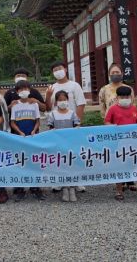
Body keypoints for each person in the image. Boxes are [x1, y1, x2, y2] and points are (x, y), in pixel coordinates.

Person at [45, 61, 87, 192]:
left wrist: (77, 123)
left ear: (65, 69)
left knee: (74, 154)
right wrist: (48, 96)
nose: (58, 71)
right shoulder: (51, 88)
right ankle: (59, 180)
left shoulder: (74, 85)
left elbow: (80, 104)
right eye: (54, 70)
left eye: (59, 68)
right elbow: (48, 108)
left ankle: (77, 180)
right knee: (58, 154)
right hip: (57, 127)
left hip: (72, 126)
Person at [104, 86, 137, 201]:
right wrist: (114, 127)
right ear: (117, 98)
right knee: (120, 166)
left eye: (127, 96)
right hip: (120, 143)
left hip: (135, 142)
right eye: (122, 97)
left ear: (130, 97)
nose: (124, 99)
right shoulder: (113, 109)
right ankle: (119, 191)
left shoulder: (134, 109)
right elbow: (106, 122)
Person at [98, 63, 137, 192]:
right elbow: (102, 106)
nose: (115, 75)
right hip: (112, 126)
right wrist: (106, 122)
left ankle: (130, 180)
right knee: (117, 154)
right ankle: (119, 181)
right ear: (109, 74)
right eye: (113, 73)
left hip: (128, 126)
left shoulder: (128, 88)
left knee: (130, 153)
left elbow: (133, 105)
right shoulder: (104, 90)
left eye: (117, 72)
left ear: (122, 73)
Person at [10, 80, 44, 201]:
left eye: (26, 89)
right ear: (17, 91)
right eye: (21, 89)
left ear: (30, 90)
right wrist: (19, 132)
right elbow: (12, 122)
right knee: (20, 161)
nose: (23, 91)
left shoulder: (34, 104)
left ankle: (35, 187)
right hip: (19, 138)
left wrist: (34, 131)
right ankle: (20, 189)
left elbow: (38, 121)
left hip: (33, 137)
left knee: (34, 160)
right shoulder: (15, 105)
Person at [46, 90, 81, 202]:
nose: (62, 102)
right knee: (61, 165)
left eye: (64, 99)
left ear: (68, 100)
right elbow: (50, 128)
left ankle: (72, 188)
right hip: (58, 145)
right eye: (60, 100)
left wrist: (77, 128)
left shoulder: (72, 113)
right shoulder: (53, 114)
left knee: (72, 165)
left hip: (71, 145)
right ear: (56, 102)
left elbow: (77, 125)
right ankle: (65, 188)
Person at [4, 68, 45, 134]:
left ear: (27, 78)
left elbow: (44, 108)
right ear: (14, 78)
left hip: (33, 131)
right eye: (18, 76)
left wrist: (37, 102)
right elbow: (3, 111)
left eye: (23, 76)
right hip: (16, 130)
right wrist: (10, 106)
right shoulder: (9, 92)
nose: (20, 77)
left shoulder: (34, 92)